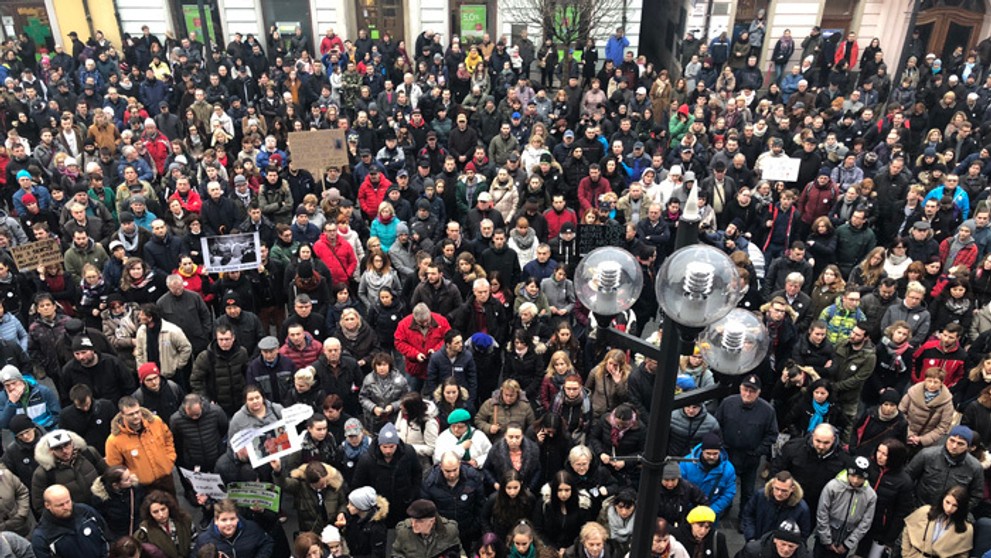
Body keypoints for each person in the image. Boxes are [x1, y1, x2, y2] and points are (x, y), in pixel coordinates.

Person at [714, 374, 777, 521]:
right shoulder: (728, 403)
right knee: (725, 485)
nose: (748, 394)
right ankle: (725, 508)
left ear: (759, 392)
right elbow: (717, 425)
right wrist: (721, 446)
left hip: (750, 457)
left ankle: (744, 517)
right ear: (740, 388)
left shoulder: (767, 411)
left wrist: (758, 451)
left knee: (748, 491)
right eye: (745, 389)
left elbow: (772, 435)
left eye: (752, 391)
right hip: (728, 454)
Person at [104, 396, 177, 494]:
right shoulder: (114, 440)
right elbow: (115, 468)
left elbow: (168, 439)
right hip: (141, 487)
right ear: (122, 415)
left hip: (166, 478)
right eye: (131, 414)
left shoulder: (156, 422)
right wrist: (130, 479)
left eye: (137, 412)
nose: (136, 416)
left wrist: (169, 460)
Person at [771, 424, 850, 513]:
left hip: (819, 506)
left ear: (834, 439)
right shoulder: (793, 448)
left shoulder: (843, 459)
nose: (821, 446)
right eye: (818, 441)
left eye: (826, 443)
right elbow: (776, 470)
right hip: (790, 499)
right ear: (813, 436)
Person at [904, 425, 983, 510]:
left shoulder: (975, 467)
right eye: (952, 440)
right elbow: (907, 479)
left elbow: (976, 495)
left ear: (968, 447)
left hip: (952, 514)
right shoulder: (927, 455)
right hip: (920, 508)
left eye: (960, 443)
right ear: (947, 439)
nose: (954, 446)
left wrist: (958, 510)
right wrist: (912, 503)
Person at [814, 456, 877, 558]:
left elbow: (866, 522)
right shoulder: (832, 486)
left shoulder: (870, 495)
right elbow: (822, 512)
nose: (856, 480)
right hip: (824, 539)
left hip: (845, 542)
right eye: (853, 475)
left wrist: (848, 544)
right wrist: (826, 539)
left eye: (860, 478)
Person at [270, 458, 346, 535]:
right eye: (321, 484)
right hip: (311, 532)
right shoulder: (299, 486)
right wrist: (278, 472)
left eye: (326, 481)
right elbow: (284, 485)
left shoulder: (333, 484)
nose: (325, 485)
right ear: (310, 483)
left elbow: (342, 503)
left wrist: (341, 513)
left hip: (333, 531)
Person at [31, 484, 110, 558]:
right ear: (48, 505)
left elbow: (105, 534)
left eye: (68, 501)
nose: (66, 507)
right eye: (60, 505)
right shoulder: (42, 537)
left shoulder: (86, 512)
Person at [901, 485, 973, 558]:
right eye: (947, 502)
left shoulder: (966, 529)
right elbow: (907, 529)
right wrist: (906, 554)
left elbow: (963, 554)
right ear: (942, 499)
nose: (949, 508)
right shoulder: (925, 511)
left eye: (955, 505)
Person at [741, 471, 812, 542]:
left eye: (784, 491)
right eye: (777, 489)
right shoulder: (760, 496)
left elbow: (803, 534)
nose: (779, 493)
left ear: (792, 489)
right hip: (757, 542)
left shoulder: (801, 509)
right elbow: (748, 515)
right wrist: (751, 537)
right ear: (773, 485)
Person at [680, 432, 736, 519]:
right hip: (687, 511)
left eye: (715, 454)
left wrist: (711, 510)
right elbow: (680, 487)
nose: (712, 457)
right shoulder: (686, 464)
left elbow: (728, 493)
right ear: (702, 451)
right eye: (708, 453)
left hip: (710, 513)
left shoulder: (728, 469)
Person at [192, 499, 274, 557]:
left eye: (232, 519)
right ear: (216, 520)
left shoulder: (251, 528)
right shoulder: (204, 540)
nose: (229, 524)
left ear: (237, 518)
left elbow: (267, 543)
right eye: (224, 520)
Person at [391, 499, 463, 558]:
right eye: (412, 520)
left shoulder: (449, 530)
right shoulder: (404, 531)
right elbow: (396, 553)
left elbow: (458, 551)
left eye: (419, 521)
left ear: (431, 521)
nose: (413, 524)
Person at [737, 519, 809, 558]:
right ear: (775, 540)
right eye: (783, 544)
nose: (786, 549)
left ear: (797, 546)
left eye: (791, 546)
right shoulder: (753, 551)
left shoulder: (806, 555)